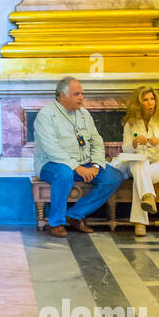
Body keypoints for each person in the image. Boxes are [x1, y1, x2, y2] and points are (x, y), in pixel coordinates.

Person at [34, 77, 125, 238]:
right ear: (63, 96)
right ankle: (56, 222)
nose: (81, 97)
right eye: (77, 94)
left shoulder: (84, 113)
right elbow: (51, 148)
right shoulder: (46, 115)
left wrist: (96, 166)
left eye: (82, 93)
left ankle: (75, 215)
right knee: (64, 174)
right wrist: (76, 167)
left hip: (85, 163)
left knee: (113, 176)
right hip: (52, 163)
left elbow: (96, 141)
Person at [112, 86, 159, 237]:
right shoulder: (131, 123)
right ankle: (147, 198)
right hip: (140, 162)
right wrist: (134, 143)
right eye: (146, 100)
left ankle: (140, 222)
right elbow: (126, 149)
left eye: (152, 99)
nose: (150, 103)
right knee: (139, 163)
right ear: (139, 103)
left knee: (140, 179)